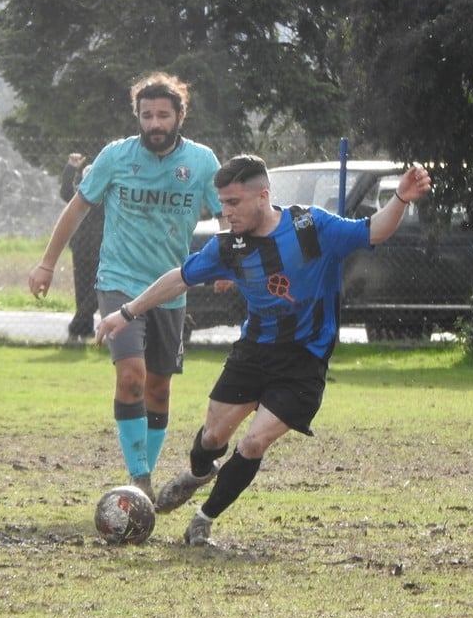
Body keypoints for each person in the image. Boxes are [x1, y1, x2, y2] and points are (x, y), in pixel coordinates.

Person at [96, 155, 433, 546]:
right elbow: (180, 278)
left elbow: (372, 231)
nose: (226, 212)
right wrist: (126, 312)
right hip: (253, 353)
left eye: (234, 203)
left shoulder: (311, 227)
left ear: (262, 196)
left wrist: (401, 200)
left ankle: (203, 520)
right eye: (221, 204)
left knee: (253, 443)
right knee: (211, 438)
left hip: (304, 360)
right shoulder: (230, 247)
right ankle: (199, 474)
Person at [29, 72, 222, 501]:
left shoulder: (203, 162)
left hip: (172, 287)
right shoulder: (116, 156)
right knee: (131, 377)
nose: (155, 123)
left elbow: (228, 211)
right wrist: (46, 264)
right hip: (118, 282)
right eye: (147, 114)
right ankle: (139, 479)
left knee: (157, 387)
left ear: (180, 117)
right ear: (137, 116)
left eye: (163, 115)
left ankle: (144, 476)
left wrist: (231, 263)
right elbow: (76, 209)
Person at [58, 153, 104, 343]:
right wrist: (70, 167)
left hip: (98, 249)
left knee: (97, 289)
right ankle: (84, 328)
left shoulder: (107, 197)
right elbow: (65, 191)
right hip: (84, 248)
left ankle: (77, 325)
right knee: (84, 290)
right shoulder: (80, 196)